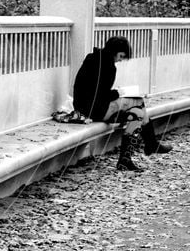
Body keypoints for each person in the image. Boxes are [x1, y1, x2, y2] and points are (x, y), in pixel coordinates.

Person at [73, 36, 171, 171]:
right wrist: (117, 93)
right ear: (114, 51)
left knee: (137, 114)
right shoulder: (108, 65)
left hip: (84, 107)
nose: (120, 59)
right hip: (95, 109)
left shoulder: (93, 58)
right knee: (138, 101)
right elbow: (101, 94)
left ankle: (127, 160)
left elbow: (94, 90)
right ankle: (151, 144)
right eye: (121, 56)